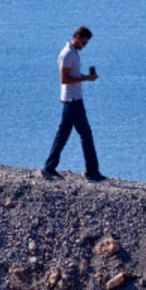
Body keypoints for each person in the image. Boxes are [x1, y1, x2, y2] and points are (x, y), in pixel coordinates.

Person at [41, 26, 106, 182]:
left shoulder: (73, 52)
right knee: (86, 135)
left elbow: (73, 75)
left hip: (74, 99)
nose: (84, 46)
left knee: (63, 135)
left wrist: (86, 78)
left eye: (86, 43)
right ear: (76, 37)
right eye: (83, 42)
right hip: (72, 101)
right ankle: (91, 172)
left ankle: (49, 168)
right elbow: (64, 79)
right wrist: (85, 79)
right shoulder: (67, 54)